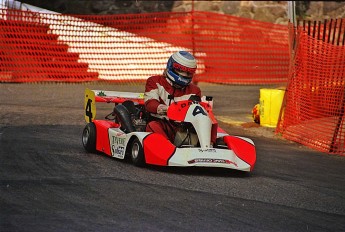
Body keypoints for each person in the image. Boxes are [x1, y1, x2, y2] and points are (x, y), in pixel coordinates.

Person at [144, 51, 213, 143]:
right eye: (181, 70)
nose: (184, 75)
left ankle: (208, 147)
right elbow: (150, 103)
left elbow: (195, 111)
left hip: (182, 127)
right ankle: (166, 148)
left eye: (189, 72)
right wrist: (166, 109)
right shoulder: (155, 81)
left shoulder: (194, 90)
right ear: (171, 66)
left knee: (204, 126)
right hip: (161, 122)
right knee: (153, 126)